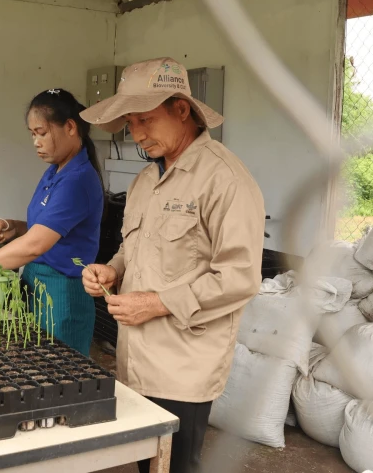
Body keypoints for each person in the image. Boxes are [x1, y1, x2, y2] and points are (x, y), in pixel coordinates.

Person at [79, 58, 265, 473]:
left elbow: (239, 277)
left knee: (177, 465)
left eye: (146, 119)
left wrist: (158, 303)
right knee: (148, 461)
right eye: (130, 123)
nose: (138, 134)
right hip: (136, 355)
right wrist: (113, 269)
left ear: (182, 110)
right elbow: (136, 248)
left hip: (184, 362)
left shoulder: (225, 180)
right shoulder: (145, 180)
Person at [0, 89, 104, 356]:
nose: (35, 141)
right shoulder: (54, 172)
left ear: (70, 127)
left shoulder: (77, 180)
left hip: (62, 294)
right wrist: (14, 227)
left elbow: (35, 245)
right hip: (36, 285)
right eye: (32, 134)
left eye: (42, 132)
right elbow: (46, 229)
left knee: (58, 374)